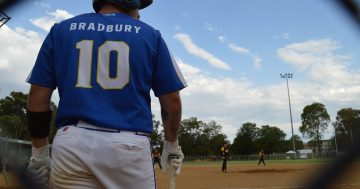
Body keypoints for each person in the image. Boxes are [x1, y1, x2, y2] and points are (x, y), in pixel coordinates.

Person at [25, 0, 187, 188]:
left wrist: (39, 155)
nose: (139, 13)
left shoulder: (61, 30)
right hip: (128, 145)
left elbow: (37, 97)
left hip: (71, 143)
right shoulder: (150, 34)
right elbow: (172, 101)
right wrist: (171, 143)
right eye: (138, 6)